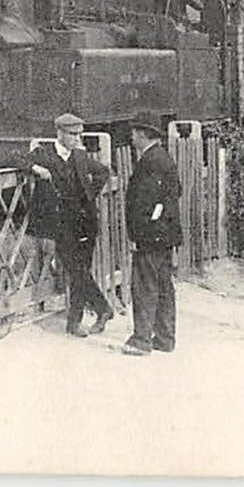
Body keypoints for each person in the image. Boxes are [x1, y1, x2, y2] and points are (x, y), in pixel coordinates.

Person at [27, 113, 113, 338]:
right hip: (61, 223)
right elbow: (15, 158)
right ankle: (103, 309)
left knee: (79, 272)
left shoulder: (81, 157)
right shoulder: (44, 154)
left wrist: (89, 196)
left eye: (79, 134)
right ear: (60, 133)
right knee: (76, 269)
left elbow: (104, 172)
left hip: (85, 222)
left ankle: (74, 323)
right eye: (73, 134)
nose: (77, 139)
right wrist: (37, 169)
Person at [123, 115, 184, 356]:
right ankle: (165, 338)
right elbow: (176, 190)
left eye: (134, 132)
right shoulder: (163, 157)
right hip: (165, 235)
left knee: (144, 286)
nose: (131, 136)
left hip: (150, 236)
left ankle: (141, 340)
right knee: (164, 286)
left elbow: (144, 203)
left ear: (142, 134)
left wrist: (141, 231)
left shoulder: (149, 161)